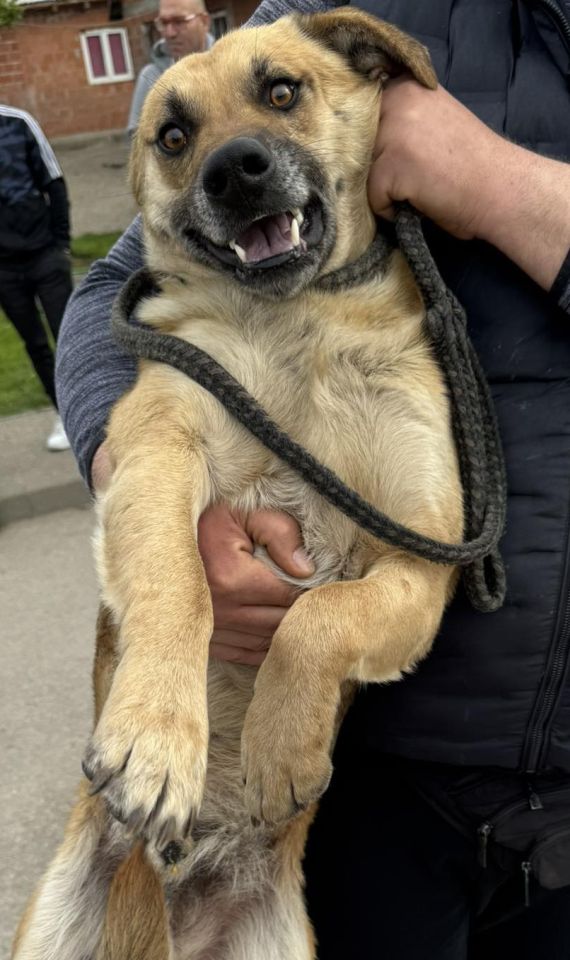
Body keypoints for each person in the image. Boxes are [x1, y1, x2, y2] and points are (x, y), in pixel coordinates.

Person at [56, 0, 570, 956]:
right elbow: (101, 299)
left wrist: (488, 178)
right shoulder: (314, 18)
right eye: (179, 140)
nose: (233, 156)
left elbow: (414, 573)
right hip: (379, 787)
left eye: (281, 98)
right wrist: (141, 497)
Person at [0, 104, 72, 451]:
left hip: (45, 253)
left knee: (69, 335)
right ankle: (63, 413)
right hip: (4, 270)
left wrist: (62, 245)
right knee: (36, 345)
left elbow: (54, 182)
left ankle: (90, 413)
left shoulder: (19, 122)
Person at [127, 0, 214, 136]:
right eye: (164, 23)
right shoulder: (151, 77)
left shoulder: (228, 68)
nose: (169, 33)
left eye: (179, 22)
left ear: (204, 22)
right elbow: (137, 141)